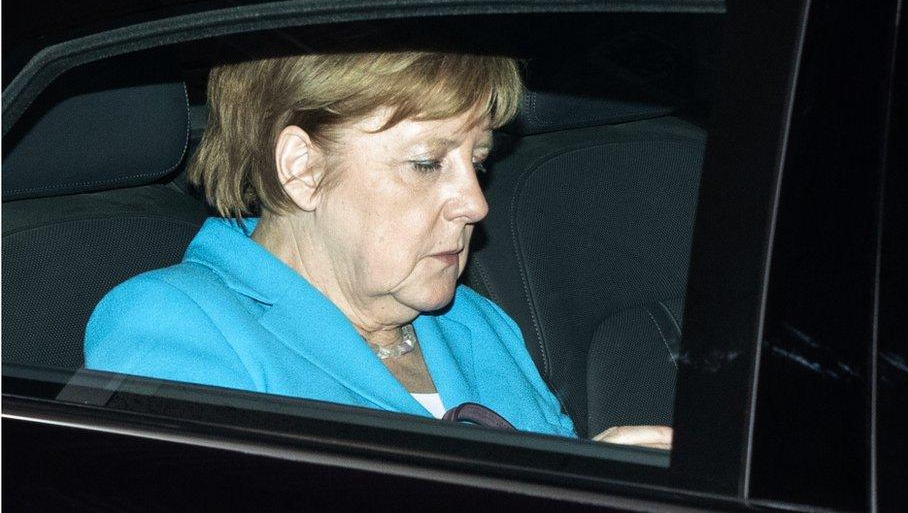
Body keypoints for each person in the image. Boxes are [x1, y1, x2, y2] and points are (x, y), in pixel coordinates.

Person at [85, 50, 671, 449]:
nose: (475, 203)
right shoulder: (173, 325)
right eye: (426, 163)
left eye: (479, 162)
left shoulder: (478, 325)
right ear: (303, 168)